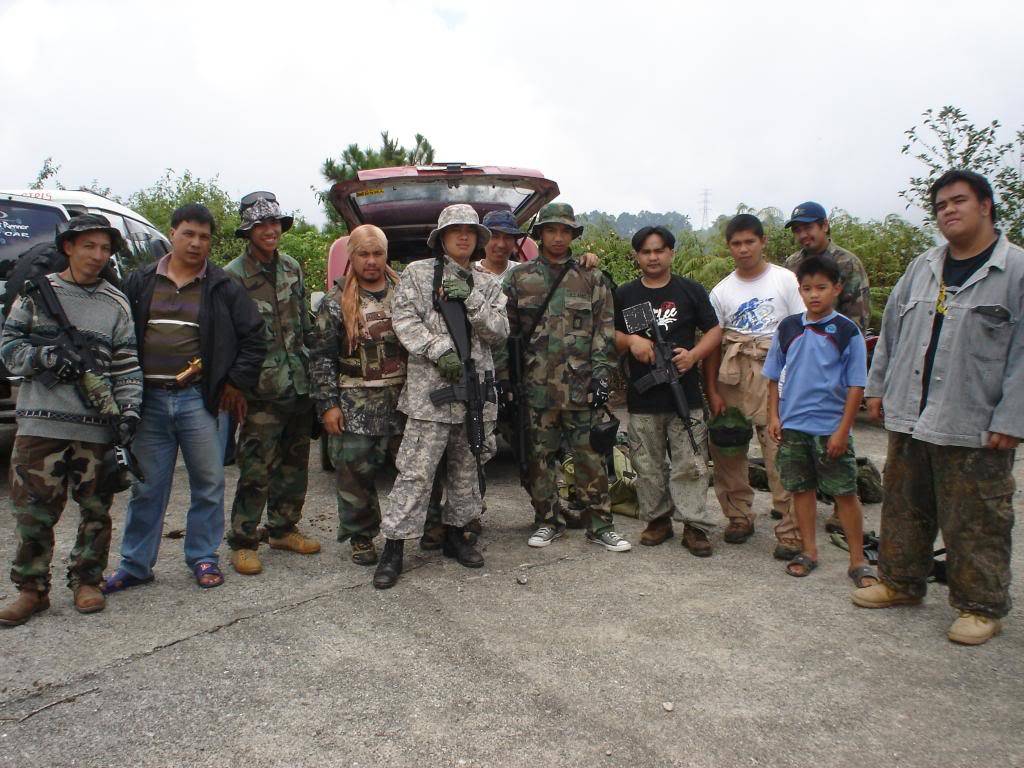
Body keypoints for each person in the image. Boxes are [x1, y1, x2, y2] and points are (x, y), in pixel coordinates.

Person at [852, 170, 1023, 646]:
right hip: (911, 412)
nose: (948, 210)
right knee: (904, 504)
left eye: (959, 201)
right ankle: (900, 581)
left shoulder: (1015, 272)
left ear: (986, 205)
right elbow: (890, 334)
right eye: (941, 204)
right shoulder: (923, 267)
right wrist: (877, 387)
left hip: (975, 419)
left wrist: (1012, 417)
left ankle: (980, 605)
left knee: (977, 515)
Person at [103, 204, 265, 592]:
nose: (196, 243)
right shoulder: (140, 282)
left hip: (199, 400)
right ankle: (136, 564)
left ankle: (203, 557)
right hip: (149, 401)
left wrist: (233, 383)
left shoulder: (223, 286)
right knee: (147, 487)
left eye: (204, 237)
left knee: (208, 482)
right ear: (172, 233)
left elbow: (255, 337)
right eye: (189, 233)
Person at [0, 215, 142, 625]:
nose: (98, 256)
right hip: (40, 427)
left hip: (96, 426)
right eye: (89, 246)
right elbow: (8, 349)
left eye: (105, 249)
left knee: (96, 511)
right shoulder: (36, 295)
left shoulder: (116, 303)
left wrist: (129, 412)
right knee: (33, 513)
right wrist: (44, 358)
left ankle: (87, 581)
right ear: (69, 247)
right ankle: (31, 590)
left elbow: (126, 364)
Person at [374, 204, 508, 589]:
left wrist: (471, 300)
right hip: (428, 398)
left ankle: (456, 536)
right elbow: (403, 320)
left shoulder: (487, 284)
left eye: (470, 231)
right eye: (455, 231)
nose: (463, 236)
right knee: (415, 474)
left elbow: (499, 331)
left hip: (474, 398)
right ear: (442, 238)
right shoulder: (417, 275)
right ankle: (394, 548)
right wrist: (437, 349)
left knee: (466, 473)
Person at [497, 202, 631, 552]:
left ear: (573, 235)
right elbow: (504, 335)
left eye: (565, 231)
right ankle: (547, 520)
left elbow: (604, 330)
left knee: (591, 457)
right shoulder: (519, 278)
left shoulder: (591, 278)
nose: (558, 237)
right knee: (539, 459)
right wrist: (505, 380)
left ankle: (600, 524)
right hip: (535, 388)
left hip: (582, 387)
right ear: (540, 234)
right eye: (552, 230)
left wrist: (602, 376)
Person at [763, 255, 876, 585]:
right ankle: (809, 551)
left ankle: (858, 561)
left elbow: (857, 384)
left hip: (830, 429)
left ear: (837, 288)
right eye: (807, 288)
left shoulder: (846, 331)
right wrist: (774, 415)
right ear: (799, 290)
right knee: (801, 490)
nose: (814, 295)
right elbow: (773, 376)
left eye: (822, 288)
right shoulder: (789, 327)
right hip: (793, 426)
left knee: (845, 493)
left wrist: (843, 429)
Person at [224, 192, 319, 576]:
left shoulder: (292, 268)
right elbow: (226, 338)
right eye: (261, 225)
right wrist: (232, 387)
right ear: (248, 231)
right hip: (259, 390)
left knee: (295, 464)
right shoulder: (232, 276)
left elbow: (305, 324)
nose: (270, 230)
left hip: (298, 383)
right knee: (255, 467)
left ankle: (283, 528)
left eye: (274, 223)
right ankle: (244, 540)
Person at [613, 226, 721, 555]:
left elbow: (715, 330)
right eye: (646, 251)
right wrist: (632, 341)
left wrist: (694, 355)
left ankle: (694, 526)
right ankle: (657, 520)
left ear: (672, 253)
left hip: (684, 395)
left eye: (659, 250)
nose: (653, 257)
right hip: (644, 398)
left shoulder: (690, 290)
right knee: (647, 465)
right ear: (636, 256)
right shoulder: (626, 294)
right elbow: (608, 335)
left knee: (690, 462)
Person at [703, 214, 804, 559]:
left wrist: (796, 381)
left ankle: (790, 530)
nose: (743, 249)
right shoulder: (722, 291)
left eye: (750, 241)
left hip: (777, 373)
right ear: (729, 247)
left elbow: (802, 332)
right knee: (728, 447)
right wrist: (713, 391)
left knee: (781, 451)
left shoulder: (786, 281)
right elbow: (713, 342)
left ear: (763, 242)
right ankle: (738, 516)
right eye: (736, 243)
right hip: (732, 373)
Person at [311, 224, 407, 565]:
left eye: (377, 253)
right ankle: (361, 536)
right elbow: (321, 358)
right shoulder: (335, 302)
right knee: (354, 475)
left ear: (386, 255)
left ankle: (420, 528)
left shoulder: (406, 294)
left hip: (403, 402)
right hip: (354, 404)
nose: (371, 261)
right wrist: (328, 406)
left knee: (413, 471)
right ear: (351, 256)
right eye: (363, 254)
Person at [783, 200, 872, 535]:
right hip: (801, 359)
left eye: (809, 227)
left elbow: (858, 317)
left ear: (825, 226)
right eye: (798, 229)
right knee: (800, 439)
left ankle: (841, 505)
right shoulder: (792, 265)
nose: (803, 234)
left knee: (838, 437)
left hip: (835, 359)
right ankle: (800, 508)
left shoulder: (847, 263)